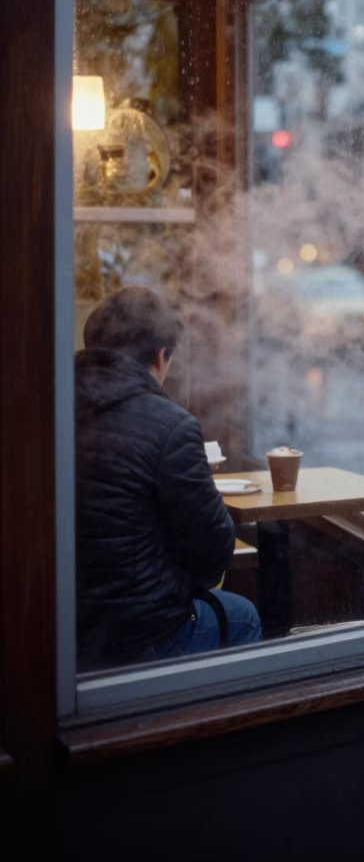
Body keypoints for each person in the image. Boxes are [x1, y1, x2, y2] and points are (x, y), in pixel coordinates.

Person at [75, 285, 261, 669]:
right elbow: (212, 558)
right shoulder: (170, 426)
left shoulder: (45, 401)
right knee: (244, 616)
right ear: (161, 356)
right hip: (134, 636)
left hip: (59, 625)